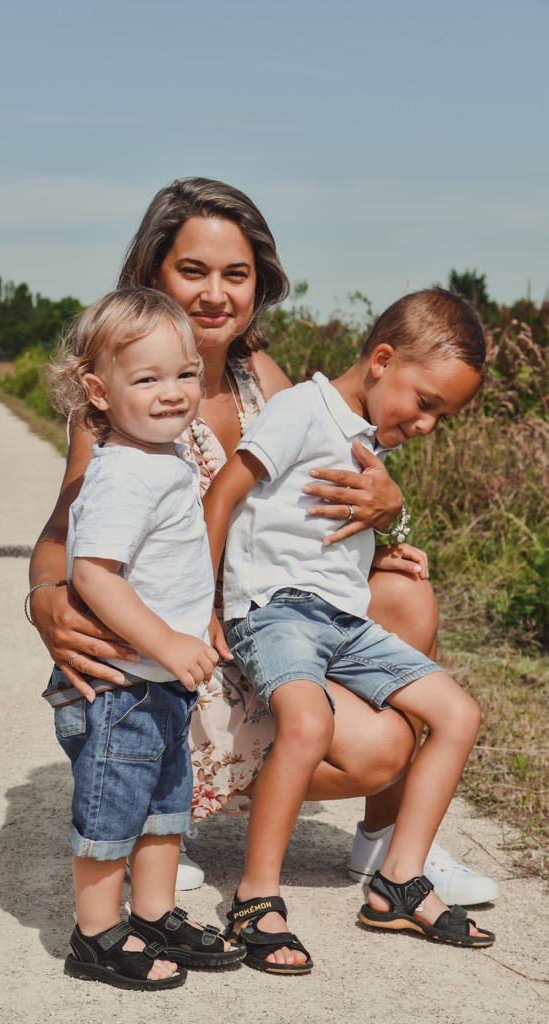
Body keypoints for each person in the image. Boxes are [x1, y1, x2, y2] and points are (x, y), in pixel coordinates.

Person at [27, 177, 499, 910]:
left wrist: (389, 514)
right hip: (173, 654)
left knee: (405, 593)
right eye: (193, 271)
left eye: (235, 275)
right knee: (367, 739)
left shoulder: (262, 379)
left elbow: (310, 506)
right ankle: (147, 809)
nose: (215, 293)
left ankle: (390, 844)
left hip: (253, 624)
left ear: (258, 285)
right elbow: (65, 531)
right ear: (154, 273)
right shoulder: (128, 397)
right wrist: (44, 599)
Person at [202, 288, 496, 971]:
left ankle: (398, 878)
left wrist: (383, 544)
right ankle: (256, 895)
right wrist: (208, 606)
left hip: (340, 620)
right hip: (274, 612)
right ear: (382, 360)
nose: (427, 425)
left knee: (457, 713)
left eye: (441, 416)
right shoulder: (302, 409)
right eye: (425, 403)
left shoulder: (364, 438)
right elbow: (225, 494)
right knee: (307, 724)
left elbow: (313, 525)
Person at [43, 287, 244, 989]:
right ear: (98, 392)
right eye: (147, 379)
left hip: (156, 679)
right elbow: (94, 578)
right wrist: (165, 640)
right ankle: (96, 934)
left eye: (185, 375)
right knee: (113, 806)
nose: (172, 394)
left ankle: (154, 913)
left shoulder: (162, 457)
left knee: (164, 804)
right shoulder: (124, 471)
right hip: (122, 683)